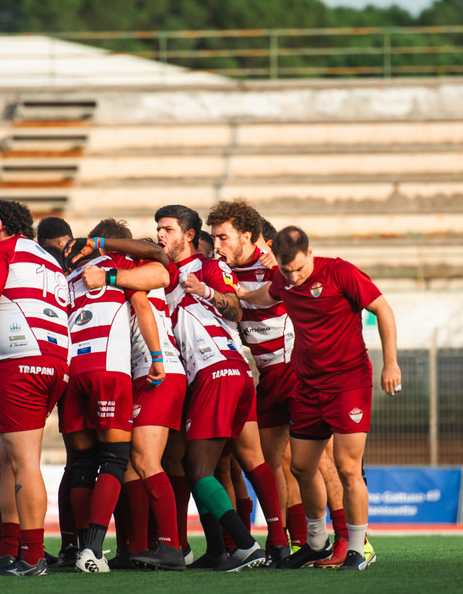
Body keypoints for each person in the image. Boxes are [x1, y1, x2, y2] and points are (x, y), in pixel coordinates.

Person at [239, 225, 400, 571]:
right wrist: (236, 293)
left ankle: (359, 548)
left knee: (346, 467)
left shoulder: (341, 272)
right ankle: (315, 542)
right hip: (308, 385)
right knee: (300, 467)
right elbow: (266, 294)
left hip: (349, 384)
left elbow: (383, 310)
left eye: (299, 268)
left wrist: (391, 364)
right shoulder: (284, 280)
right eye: (286, 270)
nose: (294, 277)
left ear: (310, 255)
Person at [149, 204, 285, 572]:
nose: (161, 235)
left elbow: (236, 310)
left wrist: (206, 292)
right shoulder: (167, 273)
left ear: (189, 235)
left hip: (217, 371)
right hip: (233, 373)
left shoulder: (210, 267)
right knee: (248, 461)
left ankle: (245, 545)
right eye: (158, 230)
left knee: (198, 468)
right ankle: (276, 544)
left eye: (168, 229)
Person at [0, 199, 70, 577]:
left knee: (23, 461)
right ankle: (10, 548)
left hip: (20, 362)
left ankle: (32, 555)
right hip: (54, 361)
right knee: (10, 457)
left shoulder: (0, 251)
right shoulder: (47, 258)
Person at [58, 220, 170, 572]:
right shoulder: (119, 266)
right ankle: (92, 551)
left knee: (81, 464)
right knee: (115, 459)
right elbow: (142, 303)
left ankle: (79, 549)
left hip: (73, 371)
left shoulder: (66, 277)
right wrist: (156, 357)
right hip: (109, 369)